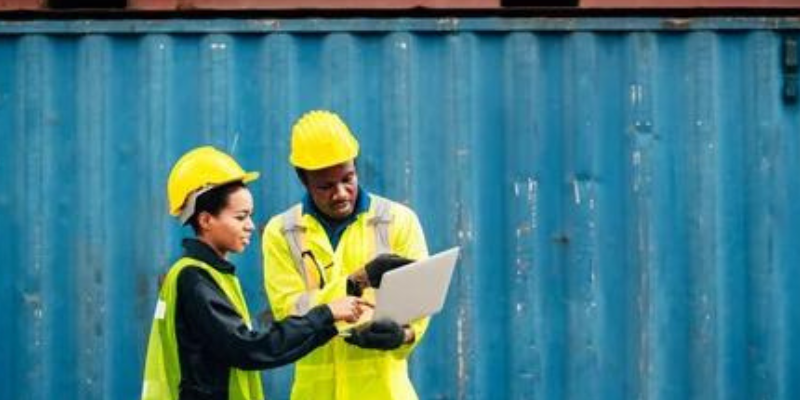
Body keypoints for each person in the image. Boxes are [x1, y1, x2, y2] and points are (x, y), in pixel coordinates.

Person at [141, 146, 367, 400]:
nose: (250, 226)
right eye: (240, 217)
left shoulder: (209, 275)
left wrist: (329, 325)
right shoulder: (195, 280)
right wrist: (327, 314)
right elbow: (250, 348)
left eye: (250, 216)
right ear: (205, 220)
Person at [261, 110, 430, 400]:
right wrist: (351, 284)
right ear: (304, 181)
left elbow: (419, 304)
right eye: (326, 186)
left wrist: (403, 336)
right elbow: (289, 313)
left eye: (348, 178)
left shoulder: (398, 221)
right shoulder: (282, 232)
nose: (341, 193)